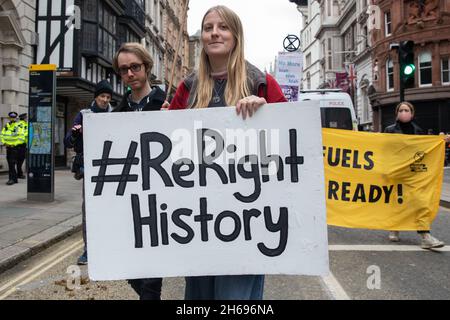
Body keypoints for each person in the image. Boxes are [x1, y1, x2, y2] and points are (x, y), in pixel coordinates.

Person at [166, 5, 287, 300]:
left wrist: (266, 111)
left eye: (222, 27)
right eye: (208, 28)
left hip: (248, 221)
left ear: (235, 35)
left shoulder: (261, 82)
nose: (214, 33)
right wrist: (161, 122)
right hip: (198, 221)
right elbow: (169, 150)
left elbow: (292, 138)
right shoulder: (188, 87)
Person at [112, 42, 165, 300]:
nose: (130, 74)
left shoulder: (166, 103)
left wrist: (174, 116)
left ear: (147, 67)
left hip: (160, 199)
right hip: (129, 200)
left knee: (151, 280)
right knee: (129, 267)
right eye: (124, 70)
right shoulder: (117, 112)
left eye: (135, 67)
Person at [64, 80, 114, 265]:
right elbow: (68, 141)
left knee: (111, 210)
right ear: (96, 96)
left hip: (111, 169)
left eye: (108, 97)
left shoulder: (115, 113)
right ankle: (88, 251)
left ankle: (110, 247)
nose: (105, 100)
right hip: (90, 169)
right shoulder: (84, 115)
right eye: (102, 96)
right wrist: (77, 133)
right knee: (89, 212)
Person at [384, 101, 445, 249]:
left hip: (414, 173)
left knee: (421, 202)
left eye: (406, 110)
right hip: (396, 172)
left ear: (412, 114)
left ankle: (425, 236)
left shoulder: (418, 130)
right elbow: (383, 150)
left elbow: (425, 148)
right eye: (401, 110)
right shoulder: (389, 130)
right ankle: (394, 228)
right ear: (397, 113)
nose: (403, 113)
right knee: (397, 202)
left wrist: (440, 140)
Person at [1, 112, 23, 185]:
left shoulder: (19, 126)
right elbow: (2, 134)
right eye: (11, 117)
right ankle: (15, 179)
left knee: (11, 163)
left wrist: (14, 144)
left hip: (15, 147)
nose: (12, 118)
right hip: (8, 147)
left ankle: (11, 179)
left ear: (16, 117)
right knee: (10, 163)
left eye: (14, 117)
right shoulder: (7, 125)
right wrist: (4, 143)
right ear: (9, 118)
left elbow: (21, 137)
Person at [16, 113, 28, 179]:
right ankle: (19, 174)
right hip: (21, 145)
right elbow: (24, 134)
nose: (27, 119)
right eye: (26, 117)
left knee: (19, 160)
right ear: (24, 118)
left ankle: (19, 173)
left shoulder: (18, 124)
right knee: (20, 160)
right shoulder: (23, 125)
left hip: (19, 145)